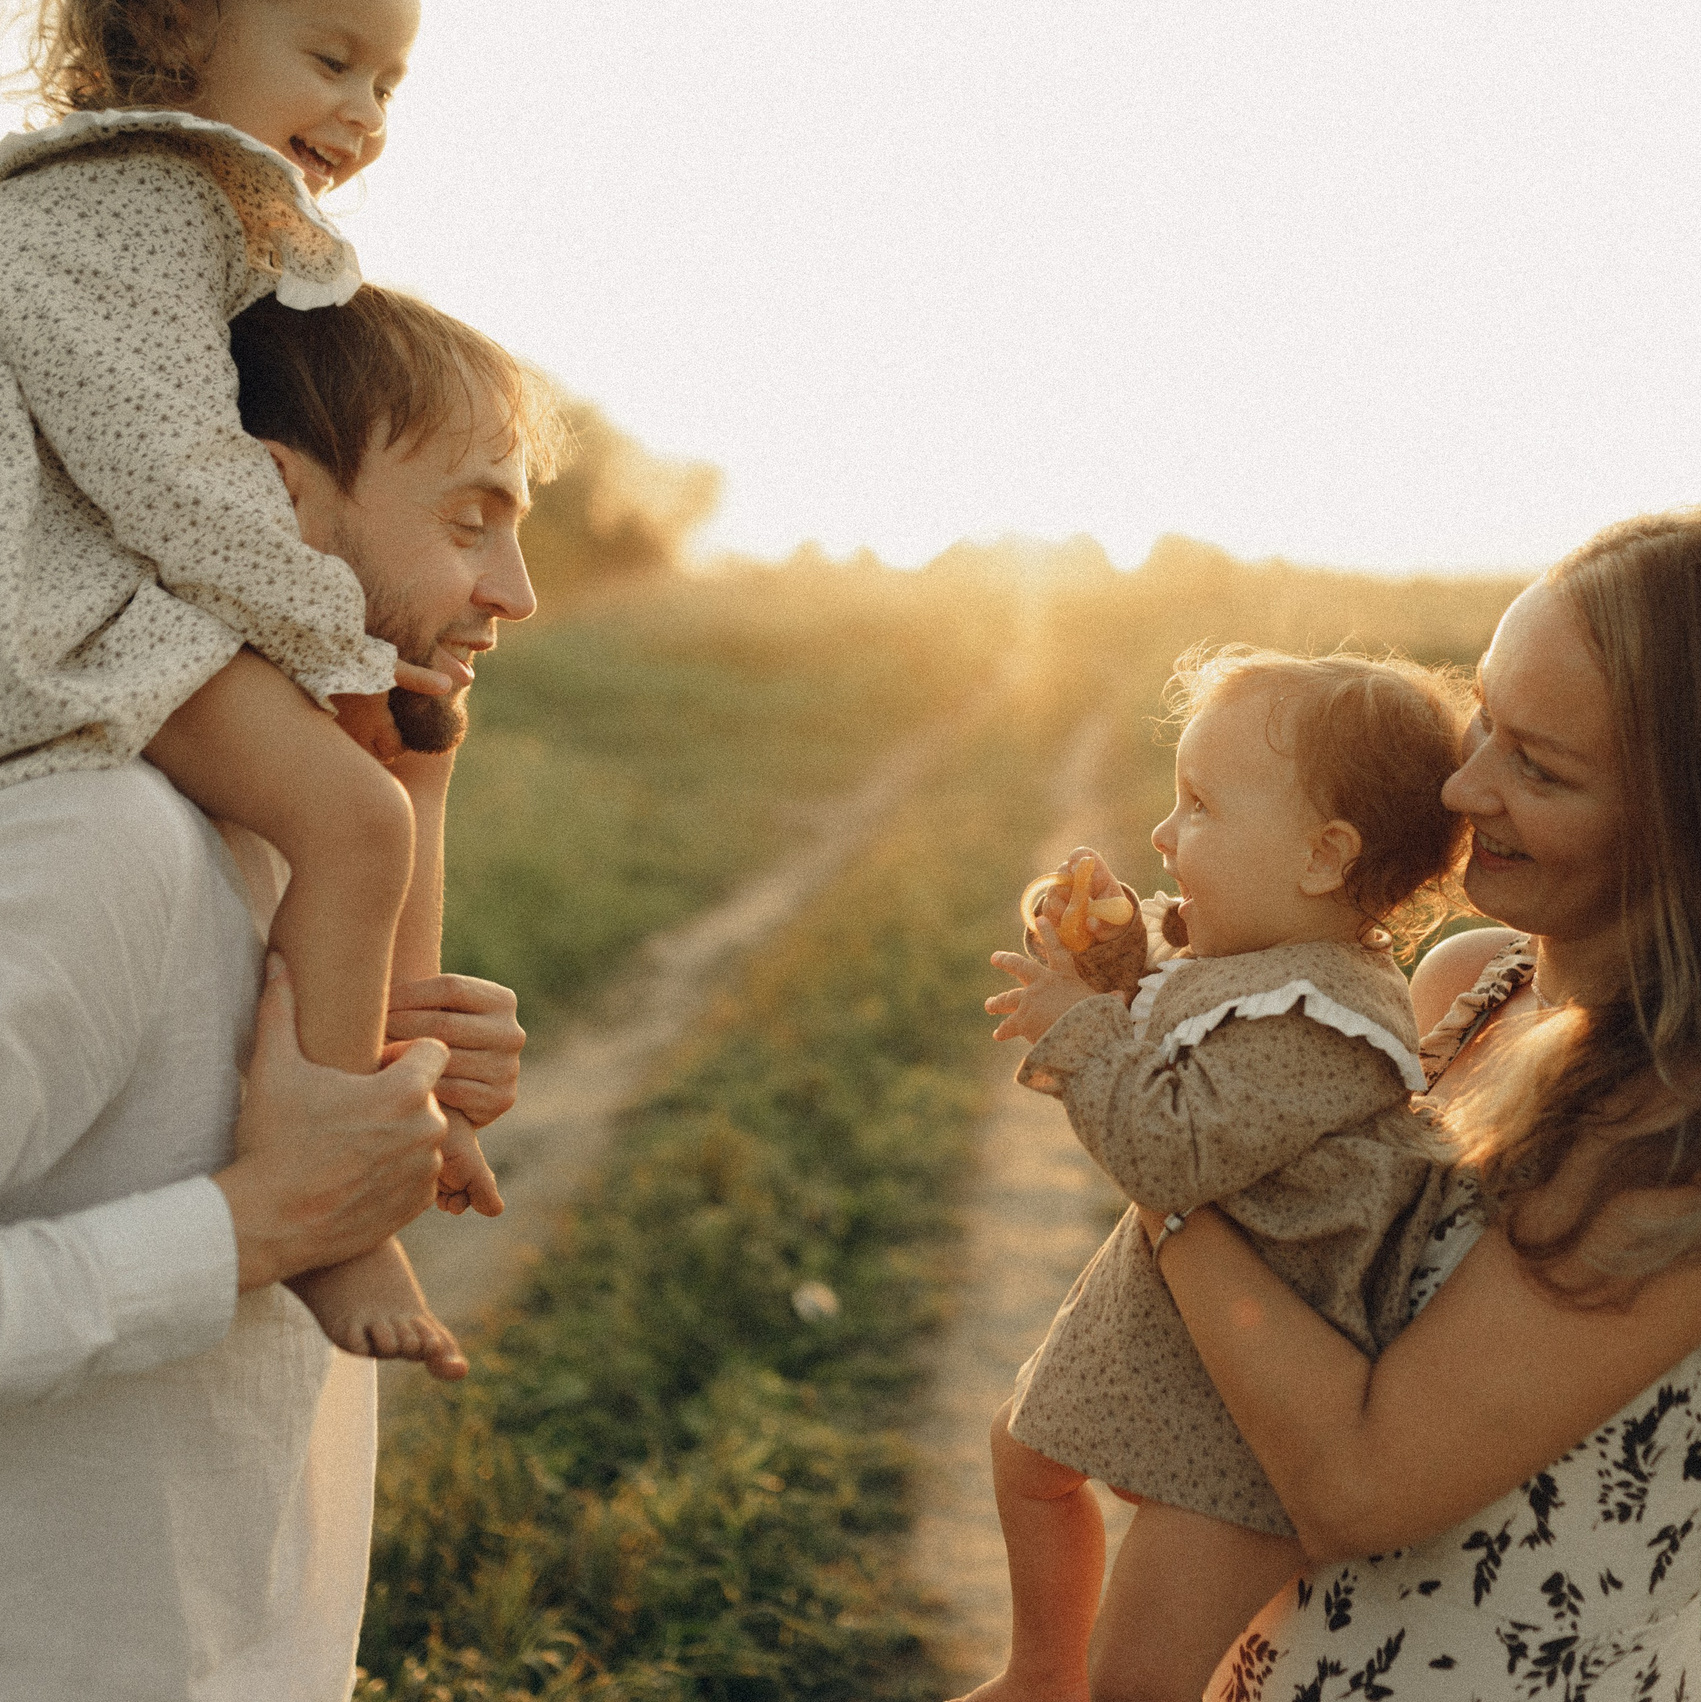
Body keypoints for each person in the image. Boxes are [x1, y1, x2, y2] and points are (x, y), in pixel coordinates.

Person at [0, 282, 561, 1700]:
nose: (516, 592)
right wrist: (258, 1225)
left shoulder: (293, 829)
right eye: (468, 517)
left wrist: (409, 1080)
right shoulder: (97, 842)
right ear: (278, 504)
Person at [1112, 517, 1701, 1700]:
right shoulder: (1465, 985)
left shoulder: (1670, 1140)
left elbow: (1360, 1484)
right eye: (1484, 712)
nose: (1460, 781)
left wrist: (1161, 1163)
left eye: (1541, 766)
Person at [0, 0, 497, 1359]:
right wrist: (333, 637)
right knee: (356, 819)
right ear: (167, 40)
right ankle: (335, 1210)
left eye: (390, 82)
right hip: (59, 622)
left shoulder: (160, 212)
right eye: (331, 62)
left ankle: (387, 1103)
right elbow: (181, 484)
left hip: (88, 607)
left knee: (367, 811)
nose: (365, 116)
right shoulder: (131, 202)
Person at [968, 652, 1468, 1702]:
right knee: (1026, 1458)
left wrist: (1083, 1034)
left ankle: (1084, 1682)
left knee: (1143, 1676)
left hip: (1248, 1407)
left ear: (1326, 857)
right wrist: (1102, 962)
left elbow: (1169, 1152)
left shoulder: (1331, 1022)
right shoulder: (1253, 950)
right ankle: (1038, 1669)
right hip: (1173, 1331)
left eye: (1197, 805)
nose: (1161, 833)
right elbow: (1168, 1003)